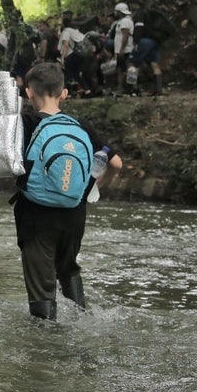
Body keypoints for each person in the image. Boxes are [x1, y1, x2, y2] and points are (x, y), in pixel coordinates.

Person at [12, 62, 122, 320]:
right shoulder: (80, 126)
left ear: (29, 92)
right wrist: (93, 188)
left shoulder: (24, 123)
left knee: (42, 288)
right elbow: (116, 163)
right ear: (64, 93)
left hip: (36, 215)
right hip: (74, 213)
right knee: (69, 269)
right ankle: (81, 319)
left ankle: (44, 338)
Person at [57, 13, 86, 94]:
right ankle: (87, 90)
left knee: (68, 75)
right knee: (75, 74)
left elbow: (65, 45)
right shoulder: (73, 31)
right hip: (75, 55)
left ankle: (66, 92)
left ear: (63, 24)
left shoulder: (66, 32)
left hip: (69, 56)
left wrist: (62, 58)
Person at [113, 3, 136, 95]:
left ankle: (130, 89)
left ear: (119, 12)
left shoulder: (125, 21)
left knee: (127, 69)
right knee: (122, 69)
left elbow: (125, 36)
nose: (115, 13)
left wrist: (122, 49)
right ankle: (125, 89)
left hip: (126, 50)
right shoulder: (122, 21)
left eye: (116, 11)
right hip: (121, 49)